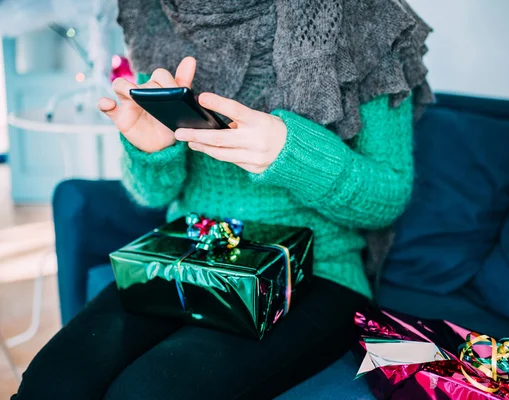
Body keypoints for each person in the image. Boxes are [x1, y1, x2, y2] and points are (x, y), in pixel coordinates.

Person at [13, 0, 432, 399]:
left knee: (147, 392)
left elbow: (388, 197)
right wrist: (153, 152)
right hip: (190, 254)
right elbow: (152, 194)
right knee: (52, 382)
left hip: (317, 271)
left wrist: (292, 154)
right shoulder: (155, 15)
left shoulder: (369, 20)